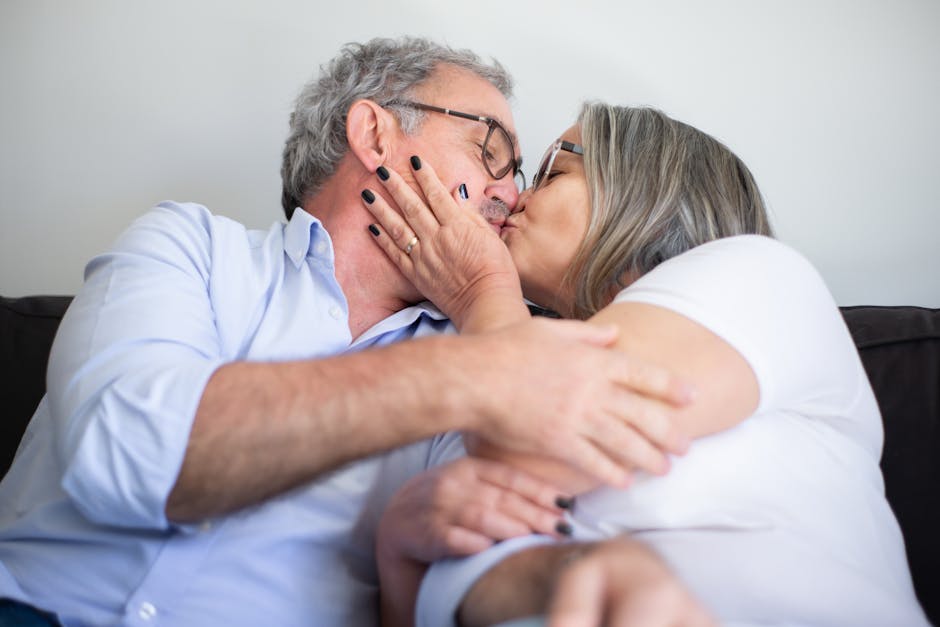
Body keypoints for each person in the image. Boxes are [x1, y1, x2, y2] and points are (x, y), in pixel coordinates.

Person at [0, 40, 694, 626]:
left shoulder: (482, 336)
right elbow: (130, 457)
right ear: (374, 135)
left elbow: (492, 551)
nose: (510, 194)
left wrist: (486, 304)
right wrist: (475, 374)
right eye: (490, 150)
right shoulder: (190, 247)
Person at [362, 103, 929, 626]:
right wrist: (398, 550)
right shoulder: (483, 377)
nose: (514, 197)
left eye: (552, 173)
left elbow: (530, 436)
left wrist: (481, 290)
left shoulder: (760, 278)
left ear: (644, 188)